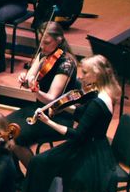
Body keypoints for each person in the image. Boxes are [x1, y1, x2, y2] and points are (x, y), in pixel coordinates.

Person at [21, 55, 120, 192]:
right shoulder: (103, 92)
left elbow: (78, 135)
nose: (81, 76)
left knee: (40, 163)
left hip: (88, 151)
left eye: (85, 72)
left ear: (97, 75)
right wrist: (63, 107)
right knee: (40, 162)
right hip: (92, 144)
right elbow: (86, 116)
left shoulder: (98, 102)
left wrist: (48, 121)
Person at [5, 22, 78, 173]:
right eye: (41, 42)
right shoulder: (44, 55)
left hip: (56, 116)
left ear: (58, 40)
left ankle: (39, 178)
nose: (42, 46)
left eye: (46, 42)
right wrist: (25, 80)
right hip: (38, 110)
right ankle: (17, 178)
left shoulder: (66, 63)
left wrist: (36, 91)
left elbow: (52, 98)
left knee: (16, 140)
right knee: (3, 127)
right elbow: (31, 77)